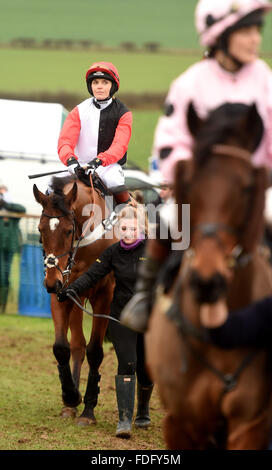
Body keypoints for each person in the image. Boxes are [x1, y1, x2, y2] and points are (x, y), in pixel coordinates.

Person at [121, 0, 272, 333]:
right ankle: (145, 297)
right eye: (246, 31)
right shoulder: (191, 83)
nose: (255, 40)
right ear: (220, 36)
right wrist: (189, 177)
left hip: (254, 185)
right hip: (205, 189)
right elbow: (170, 141)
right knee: (167, 218)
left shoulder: (264, 78)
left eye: (257, 31)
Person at [56, 207, 153, 439]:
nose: (128, 233)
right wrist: (70, 290)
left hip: (150, 317)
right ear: (118, 229)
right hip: (122, 316)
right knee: (128, 362)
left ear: (141, 229)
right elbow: (92, 274)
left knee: (146, 368)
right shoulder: (113, 253)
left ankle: (143, 410)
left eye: (132, 228)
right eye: (124, 228)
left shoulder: (153, 250)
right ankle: (124, 420)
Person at [57, 61, 133, 218]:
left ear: (113, 86)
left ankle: (128, 221)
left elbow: (120, 146)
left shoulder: (124, 113)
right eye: (95, 82)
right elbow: (65, 141)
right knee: (51, 189)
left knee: (114, 182)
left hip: (108, 168)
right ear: (90, 86)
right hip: (79, 166)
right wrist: (70, 160)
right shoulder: (78, 111)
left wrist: (98, 161)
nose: (99, 86)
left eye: (105, 82)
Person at [0, 183, 26, 312]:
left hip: (9, 246)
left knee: (6, 274)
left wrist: (6, 204)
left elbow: (22, 209)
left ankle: (3, 304)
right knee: (1, 274)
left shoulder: (12, 209)